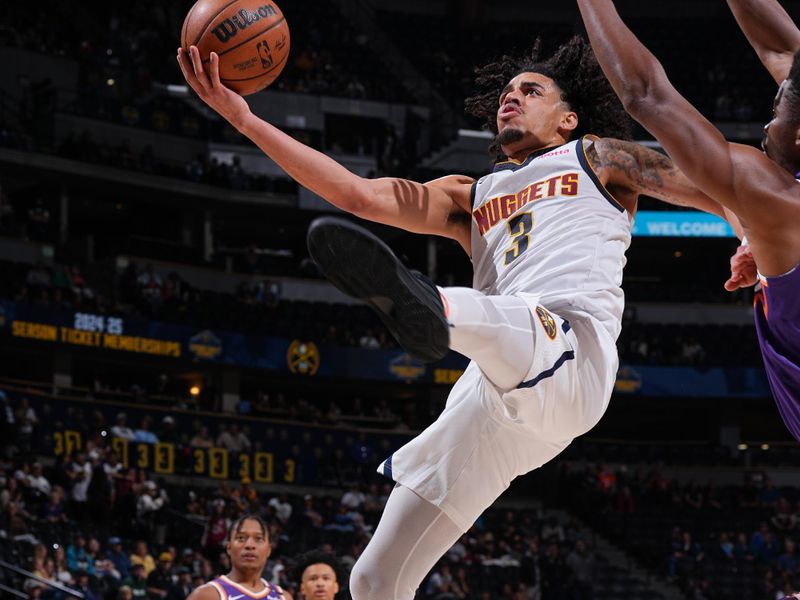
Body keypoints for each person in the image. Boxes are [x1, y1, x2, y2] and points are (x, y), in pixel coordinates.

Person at [177, 38, 727, 600]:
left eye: (529, 90)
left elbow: (710, 183)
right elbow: (357, 196)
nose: (510, 98)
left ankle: (429, 305)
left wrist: (754, 233)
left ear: (568, 118)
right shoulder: (472, 195)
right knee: (373, 580)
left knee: (502, 313)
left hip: (571, 346)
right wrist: (243, 119)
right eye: (506, 92)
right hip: (494, 393)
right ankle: (430, 308)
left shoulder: (598, 156)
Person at [576, 0, 800, 440]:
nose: (765, 122)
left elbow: (645, 95)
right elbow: (785, 53)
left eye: (774, 114)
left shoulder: (779, 199)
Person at [187, 515, 291, 600]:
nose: (250, 545)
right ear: (229, 547)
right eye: (241, 538)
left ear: (269, 550)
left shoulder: (283, 597)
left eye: (258, 539)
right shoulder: (207, 595)